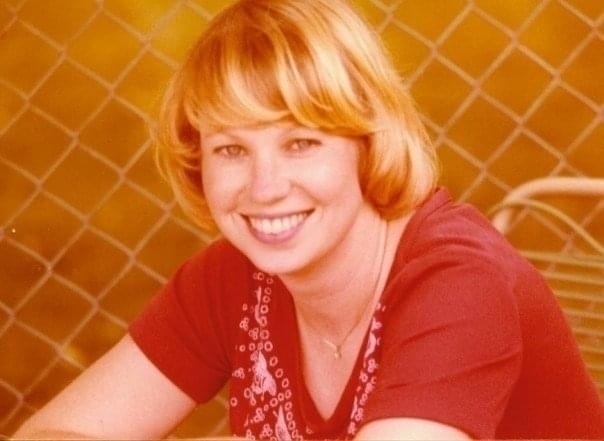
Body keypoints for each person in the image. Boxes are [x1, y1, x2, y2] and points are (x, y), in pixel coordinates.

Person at [14, 0, 604, 439]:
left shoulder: (459, 285)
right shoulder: (233, 277)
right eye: (231, 150)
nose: (265, 188)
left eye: (300, 143)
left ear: (367, 144)